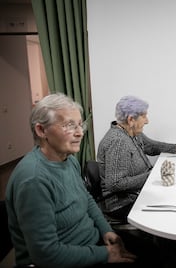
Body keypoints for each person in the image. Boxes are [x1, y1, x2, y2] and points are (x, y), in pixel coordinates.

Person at [5, 93, 136, 267]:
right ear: (41, 130)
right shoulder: (33, 179)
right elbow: (46, 255)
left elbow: (87, 199)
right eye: (69, 125)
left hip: (92, 243)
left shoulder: (69, 160)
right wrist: (105, 254)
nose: (80, 133)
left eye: (80, 125)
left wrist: (106, 230)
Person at [97, 95, 176, 221]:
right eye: (144, 116)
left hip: (138, 193)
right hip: (122, 204)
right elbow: (115, 183)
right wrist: (152, 175)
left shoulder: (131, 131)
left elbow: (149, 146)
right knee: (172, 213)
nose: (147, 121)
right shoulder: (118, 142)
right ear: (131, 119)